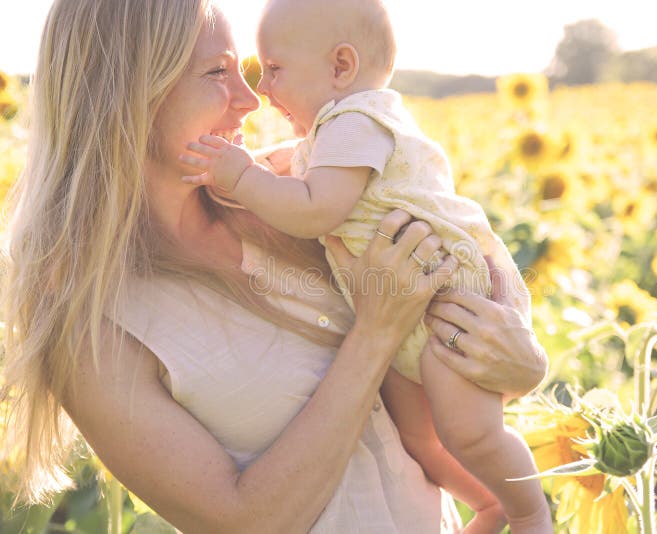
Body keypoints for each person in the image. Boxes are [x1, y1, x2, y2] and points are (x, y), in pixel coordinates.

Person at [0, 0, 551, 532]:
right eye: (218, 73)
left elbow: (431, 370)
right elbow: (243, 523)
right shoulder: (90, 321)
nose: (251, 99)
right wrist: (375, 332)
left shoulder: (288, 205)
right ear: (126, 94)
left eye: (249, 71)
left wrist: (517, 363)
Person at [180, 0, 549, 530]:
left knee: (468, 431)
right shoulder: (335, 132)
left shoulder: (356, 120)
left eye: (275, 69)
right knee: (419, 437)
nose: (264, 90)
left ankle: (530, 513)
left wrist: (240, 179)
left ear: (341, 67)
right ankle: (490, 505)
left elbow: (315, 209)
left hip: (445, 300)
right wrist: (261, 167)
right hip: (403, 306)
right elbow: (297, 162)